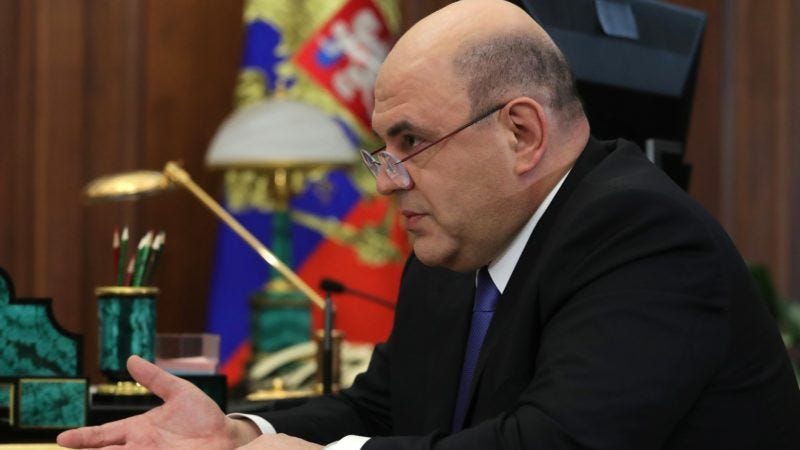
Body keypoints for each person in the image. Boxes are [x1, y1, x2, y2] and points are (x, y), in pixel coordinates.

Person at [58, 0, 800, 448]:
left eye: (411, 142)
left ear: (521, 134)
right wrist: (239, 432)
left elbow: (549, 443)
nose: (389, 181)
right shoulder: (459, 244)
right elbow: (382, 406)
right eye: (383, 149)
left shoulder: (643, 237)